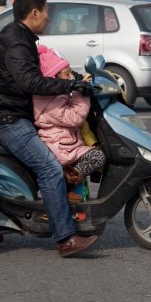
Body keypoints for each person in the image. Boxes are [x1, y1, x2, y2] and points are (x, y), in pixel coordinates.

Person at [0, 0, 98, 258]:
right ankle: (65, 239)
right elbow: (29, 81)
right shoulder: (16, 41)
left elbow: (47, 70)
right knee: (49, 169)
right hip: (8, 121)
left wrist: (75, 78)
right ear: (34, 12)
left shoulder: (23, 38)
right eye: (47, 12)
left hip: (17, 116)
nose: (49, 17)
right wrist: (72, 88)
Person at [33, 45, 106, 202]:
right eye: (67, 74)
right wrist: (82, 94)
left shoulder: (58, 93)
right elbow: (75, 117)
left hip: (68, 143)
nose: (70, 77)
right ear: (54, 78)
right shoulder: (48, 102)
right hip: (59, 147)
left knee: (98, 151)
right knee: (97, 157)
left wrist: (81, 82)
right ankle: (66, 184)